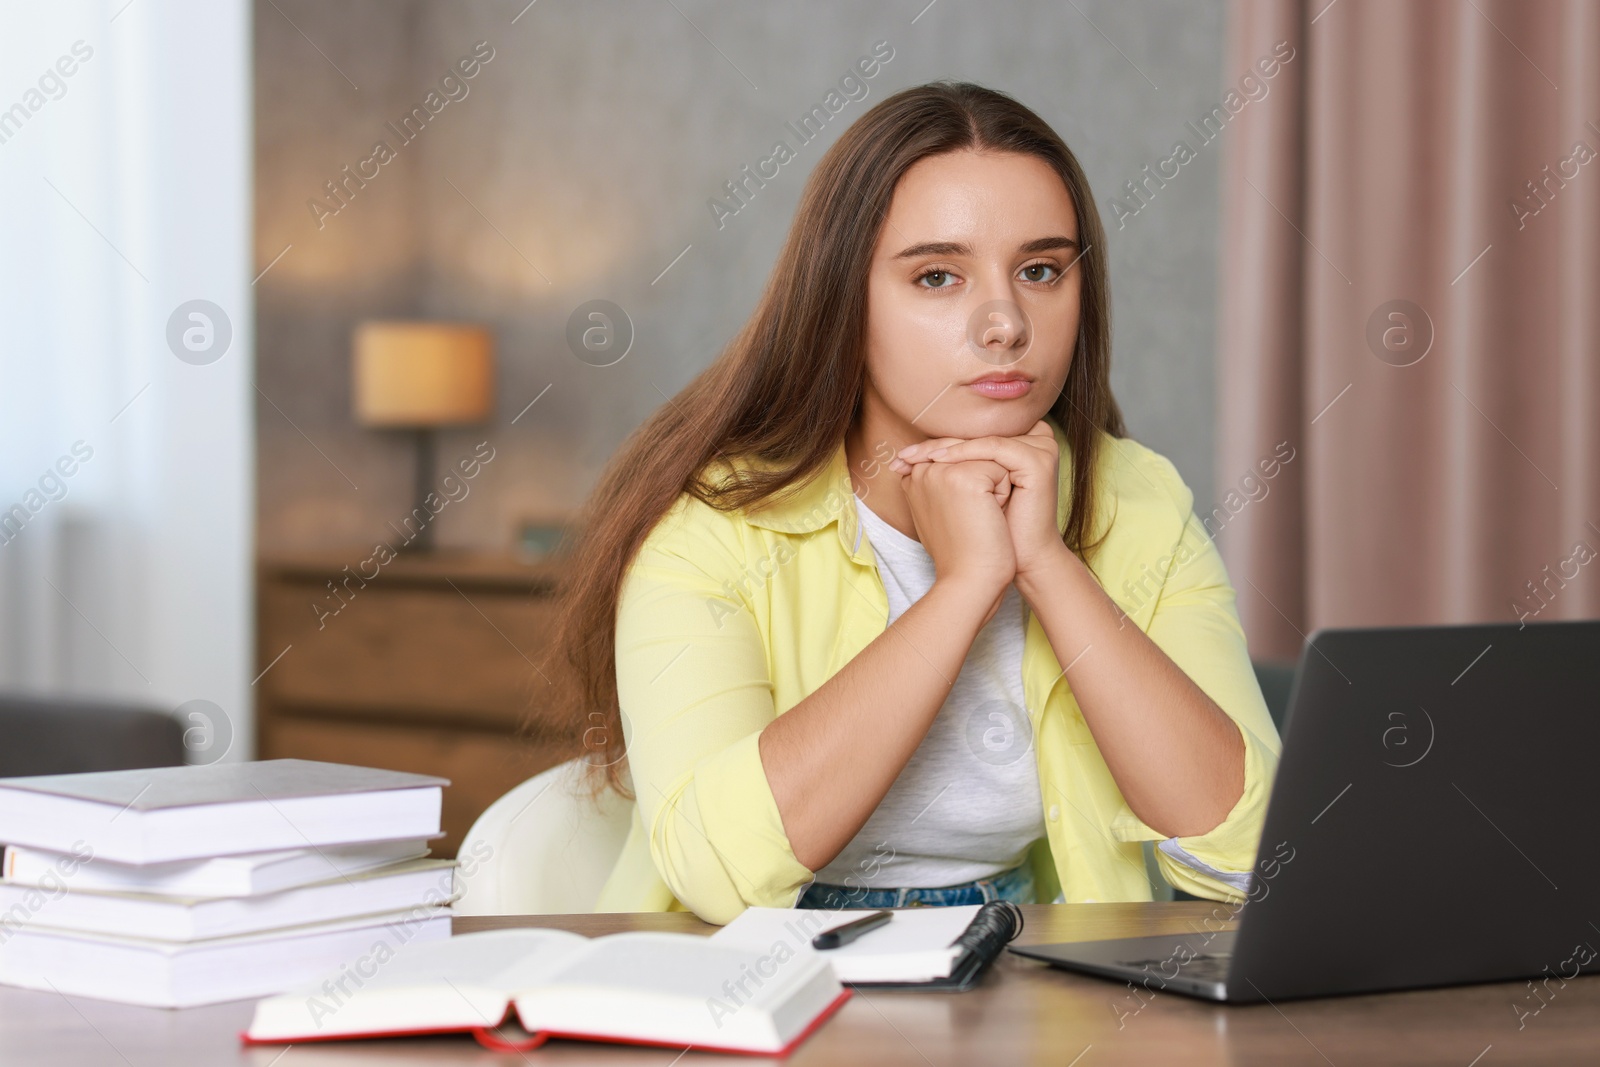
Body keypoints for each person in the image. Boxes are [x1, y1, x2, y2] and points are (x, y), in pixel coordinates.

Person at [544, 81, 1282, 925]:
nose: (1004, 321)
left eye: (1041, 270)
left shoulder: (1136, 500)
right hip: (759, 985)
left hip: (1027, 976)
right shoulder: (712, 529)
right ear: (843, 301)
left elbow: (1254, 856)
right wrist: (963, 587)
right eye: (938, 276)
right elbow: (719, 877)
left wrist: (1046, 563)